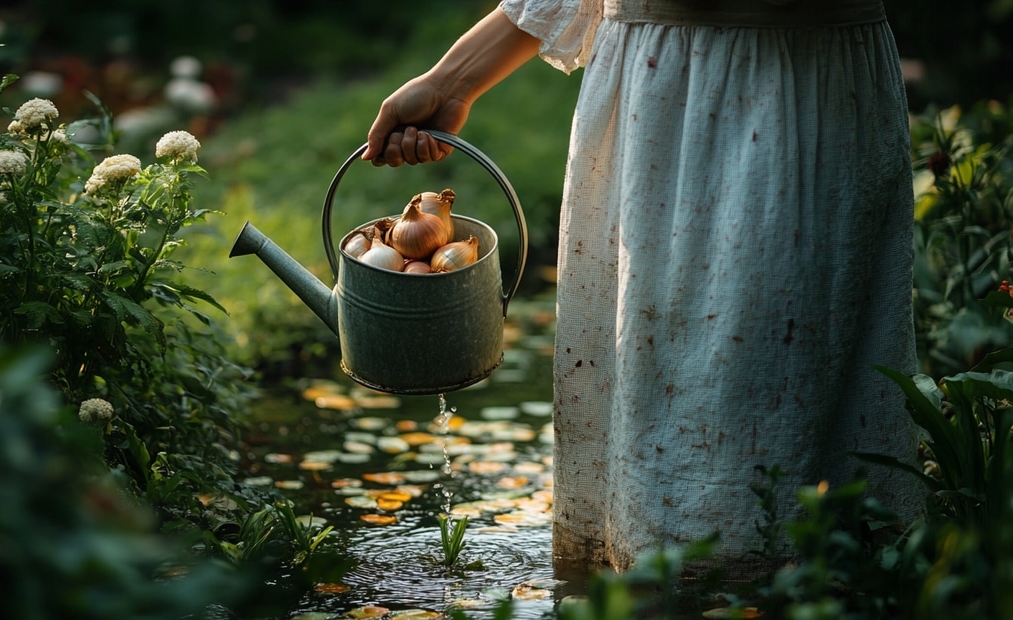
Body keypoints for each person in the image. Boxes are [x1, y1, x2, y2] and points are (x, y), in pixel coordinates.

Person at [363, 0, 923, 575]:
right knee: (657, 389)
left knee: (775, 377)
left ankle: (753, 614)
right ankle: (673, 617)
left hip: (796, 94)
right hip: (656, 104)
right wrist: (450, 83)